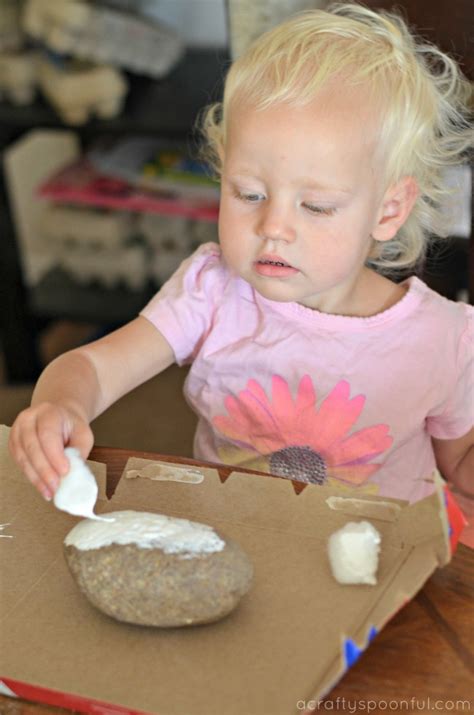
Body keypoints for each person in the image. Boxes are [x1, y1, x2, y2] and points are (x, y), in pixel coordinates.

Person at [9, 3, 473, 504]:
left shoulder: (444, 339)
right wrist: (59, 405)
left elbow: (459, 464)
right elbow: (94, 369)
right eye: (249, 194)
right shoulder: (212, 290)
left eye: (315, 206)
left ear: (388, 210)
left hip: (381, 570)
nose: (272, 227)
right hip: (238, 548)